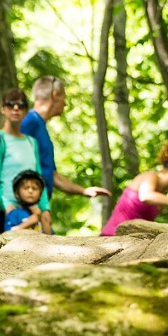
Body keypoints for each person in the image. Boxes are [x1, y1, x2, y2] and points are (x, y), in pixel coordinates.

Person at [21, 76, 110, 228]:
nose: (65, 103)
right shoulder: (30, 121)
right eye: (63, 97)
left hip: (41, 205)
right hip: (26, 208)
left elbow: (52, 175)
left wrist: (84, 191)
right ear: (55, 94)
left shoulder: (41, 127)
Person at [0, 88, 53, 235]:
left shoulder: (31, 142)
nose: (16, 108)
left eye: (21, 105)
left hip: (33, 210)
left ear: (26, 111)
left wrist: (45, 208)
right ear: (3, 109)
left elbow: (39, 179)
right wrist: (7, 206)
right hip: (8, 212)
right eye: (11, 104)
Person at [101, 142, 168, 236]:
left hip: (131, 241)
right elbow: (145, 196)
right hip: (112, 236)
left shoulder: (160, 194)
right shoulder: (151, 176)